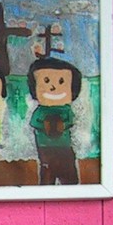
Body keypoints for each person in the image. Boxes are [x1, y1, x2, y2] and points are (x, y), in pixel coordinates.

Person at [28, 57, 81, 185]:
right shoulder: (40, 111)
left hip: (65, 148)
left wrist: (60, 124)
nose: (53, 87)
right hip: (45, 148)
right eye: (46, 81)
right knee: (47, 171)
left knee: (69, 173)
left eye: (61, 82)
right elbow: (35, 123)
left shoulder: (66, 110)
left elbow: (70, 122)